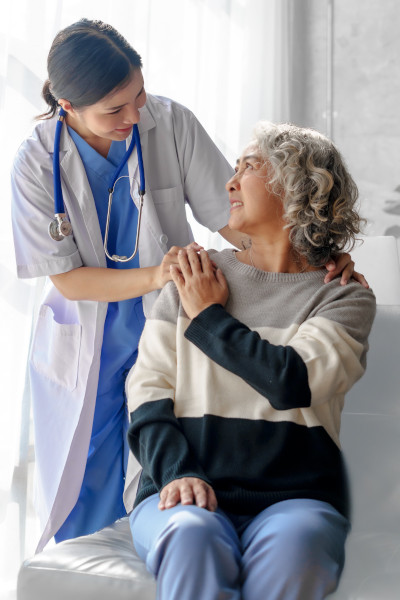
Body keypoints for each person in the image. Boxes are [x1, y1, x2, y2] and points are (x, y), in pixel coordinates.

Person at [11, 18, 363, 553]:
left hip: (175, 319)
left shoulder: (170, 122)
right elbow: (66, 278)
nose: (136, 115)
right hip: (90, 340)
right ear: (66, 104)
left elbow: (241, 215)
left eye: (139, 95)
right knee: (88, 492)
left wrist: (317, 253)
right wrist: (160, 275)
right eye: (114, 110)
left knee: (169, 475)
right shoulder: (35, 164)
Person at [126, 121, 376, 599]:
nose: (230, 181)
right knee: (190, 534)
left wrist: (208, 317)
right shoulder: (194, 274)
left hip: (297, 497)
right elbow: (147, 393)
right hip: (181, 485)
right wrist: (177, 472)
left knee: (297, 546)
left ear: (299, 187)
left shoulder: (341, 297)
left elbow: (292, 382)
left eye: (249, 167)